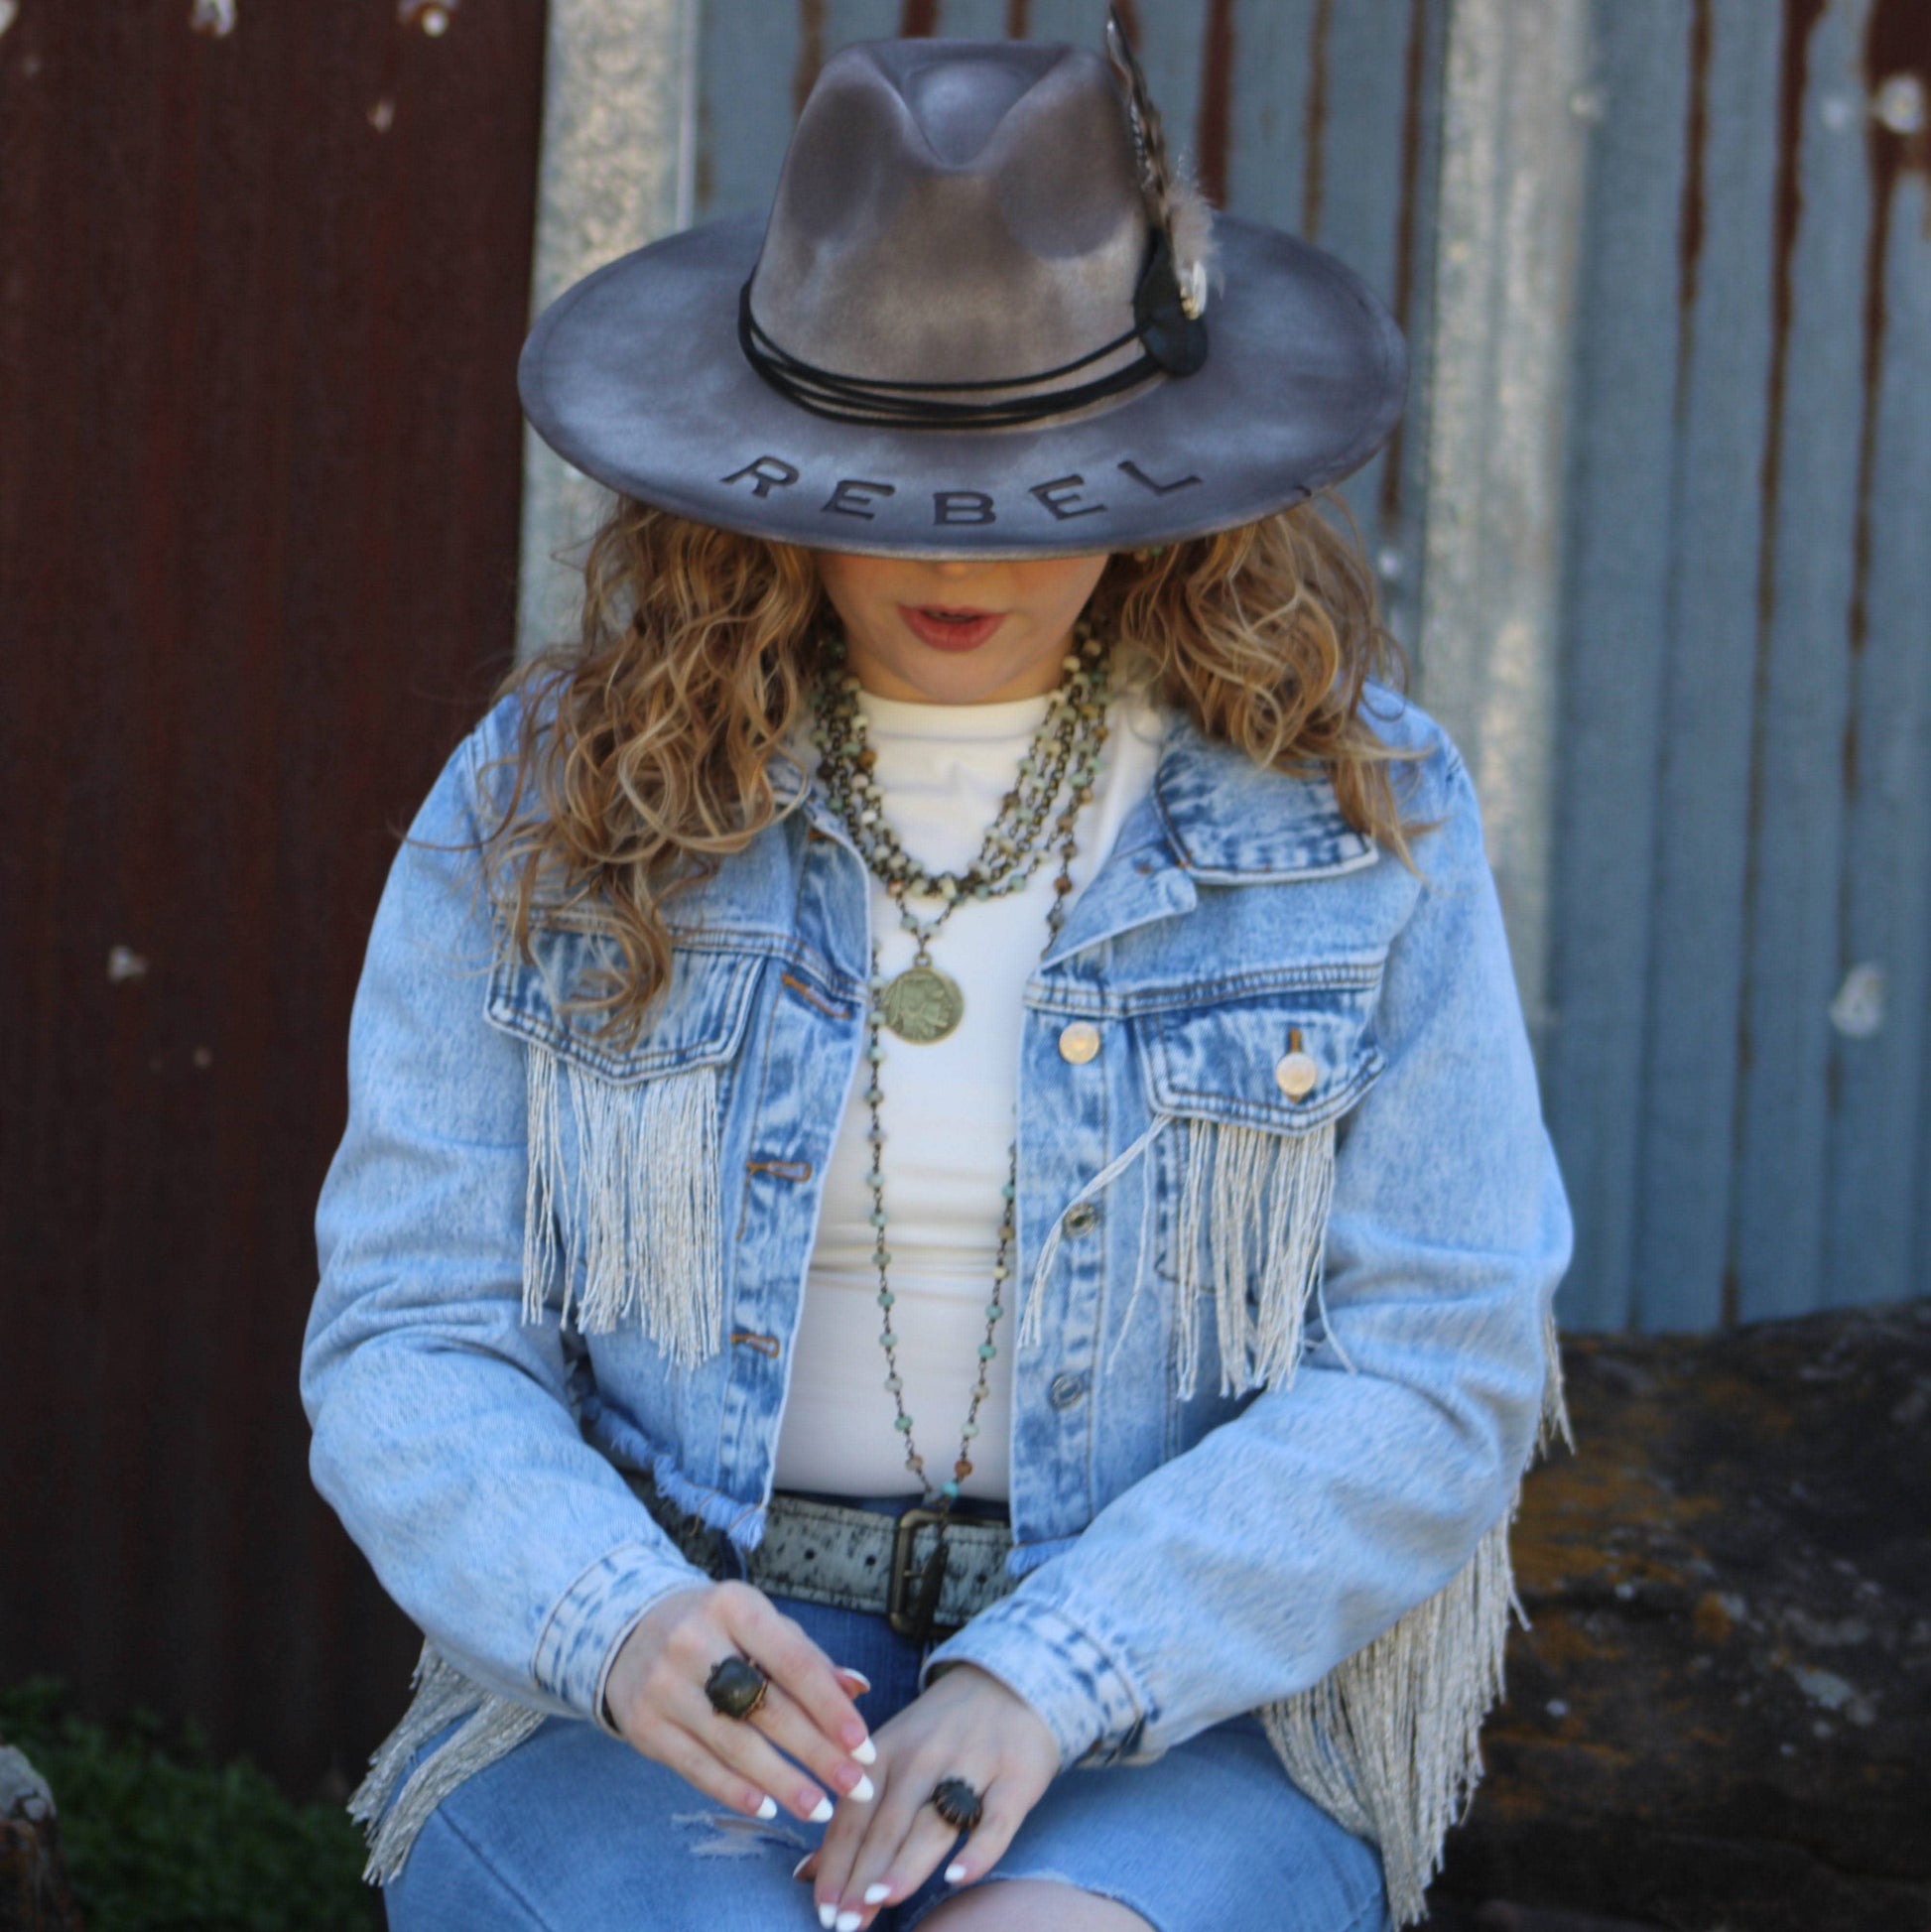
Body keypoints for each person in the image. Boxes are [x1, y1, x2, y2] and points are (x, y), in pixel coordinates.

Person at [302, 18, 1572, 1932]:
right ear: (759, 455)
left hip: (1173, 1693)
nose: (949, 546)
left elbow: (1438, 1360)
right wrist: (623, 1620)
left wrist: (1056, 1668)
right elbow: (412, 1330)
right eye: (872, 470)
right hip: (677, 1673)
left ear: (1164, 459)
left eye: (1034, 465)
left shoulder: (1355, 813)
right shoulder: (548, 804)